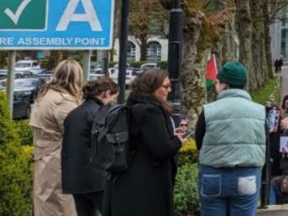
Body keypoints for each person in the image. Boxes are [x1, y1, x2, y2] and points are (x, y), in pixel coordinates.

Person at [105, 69, 184, 216]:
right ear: (152, 87)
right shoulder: (150, 110)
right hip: (147, 180)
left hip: (129, 176)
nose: (169, 90)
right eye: (165, 87)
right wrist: (178, 141)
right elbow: (162, 149)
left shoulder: (134, 105)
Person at [196, 61, 266, 216]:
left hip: (212, 173)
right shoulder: (260, 111)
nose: (215, 85)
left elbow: (199, 142)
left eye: (217, 82)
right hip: (247, 173)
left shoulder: (208, 110)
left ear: (225, 85)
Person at [31, 59, 83, 216]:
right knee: (59, 204)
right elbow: (75, 131)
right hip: (57, 158)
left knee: (45, 201)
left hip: (43, 155)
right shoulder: (63, 101)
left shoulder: (45, 94)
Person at [62, 76, 118, 216]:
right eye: (113, 97)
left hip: (74, 177)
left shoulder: (73, 114)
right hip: (97, 178)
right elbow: (105, 145)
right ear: (106, 93)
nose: (113, 102)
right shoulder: (101, 113)